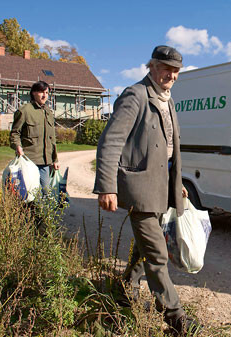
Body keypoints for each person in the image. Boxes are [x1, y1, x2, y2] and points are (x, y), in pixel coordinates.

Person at [93, 45, 200, 335]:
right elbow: (110, 142)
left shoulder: (168, 100)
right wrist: (107, 187)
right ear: (151, 66)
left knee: (144, 248)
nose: (171, 75)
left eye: (176, 70)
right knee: (157, 253)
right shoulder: (136, 95)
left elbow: (169, 150)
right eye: (166, 68)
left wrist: (176, 186)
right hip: (139, 189)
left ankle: (125, 290)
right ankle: (176, 319)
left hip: (160, 187)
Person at [10, 81, 60, 195]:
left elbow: (52, 139)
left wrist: (55, 160)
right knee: (28, 193)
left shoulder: (48, 112)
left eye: (47, 93)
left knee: (45, 192)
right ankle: (28, 213)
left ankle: (41, 213)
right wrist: (17, 146)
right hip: (29, 161)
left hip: (45, 162)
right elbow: (15, 133)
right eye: (41, 92)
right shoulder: (24, 110)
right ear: (33, 93)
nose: (44, 95)